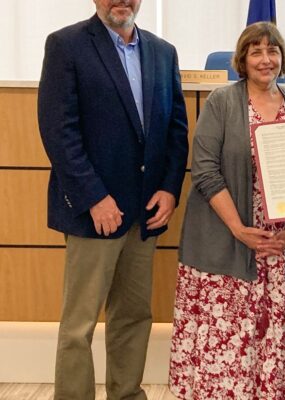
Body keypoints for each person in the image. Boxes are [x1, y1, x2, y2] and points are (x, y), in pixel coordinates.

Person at [37, 0, 189, 398]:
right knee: (79, 325)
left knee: (134, 317)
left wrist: (170, 188)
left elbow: (175, 128)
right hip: (94, 214)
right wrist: (94, 198)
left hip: (145, 214)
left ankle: (126, 395)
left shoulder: (162, 51)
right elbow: (59, 131)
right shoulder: (66, 45)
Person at [169, 22, 285, 400]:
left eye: (273, 51)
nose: (266, 59)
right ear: (242, 59)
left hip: (280, 248)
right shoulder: (222, 103)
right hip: (230, 244)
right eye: (256, 51)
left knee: (276, 346)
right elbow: (204, 170)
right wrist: (239, 229)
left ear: (282, 58)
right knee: (229, 356)